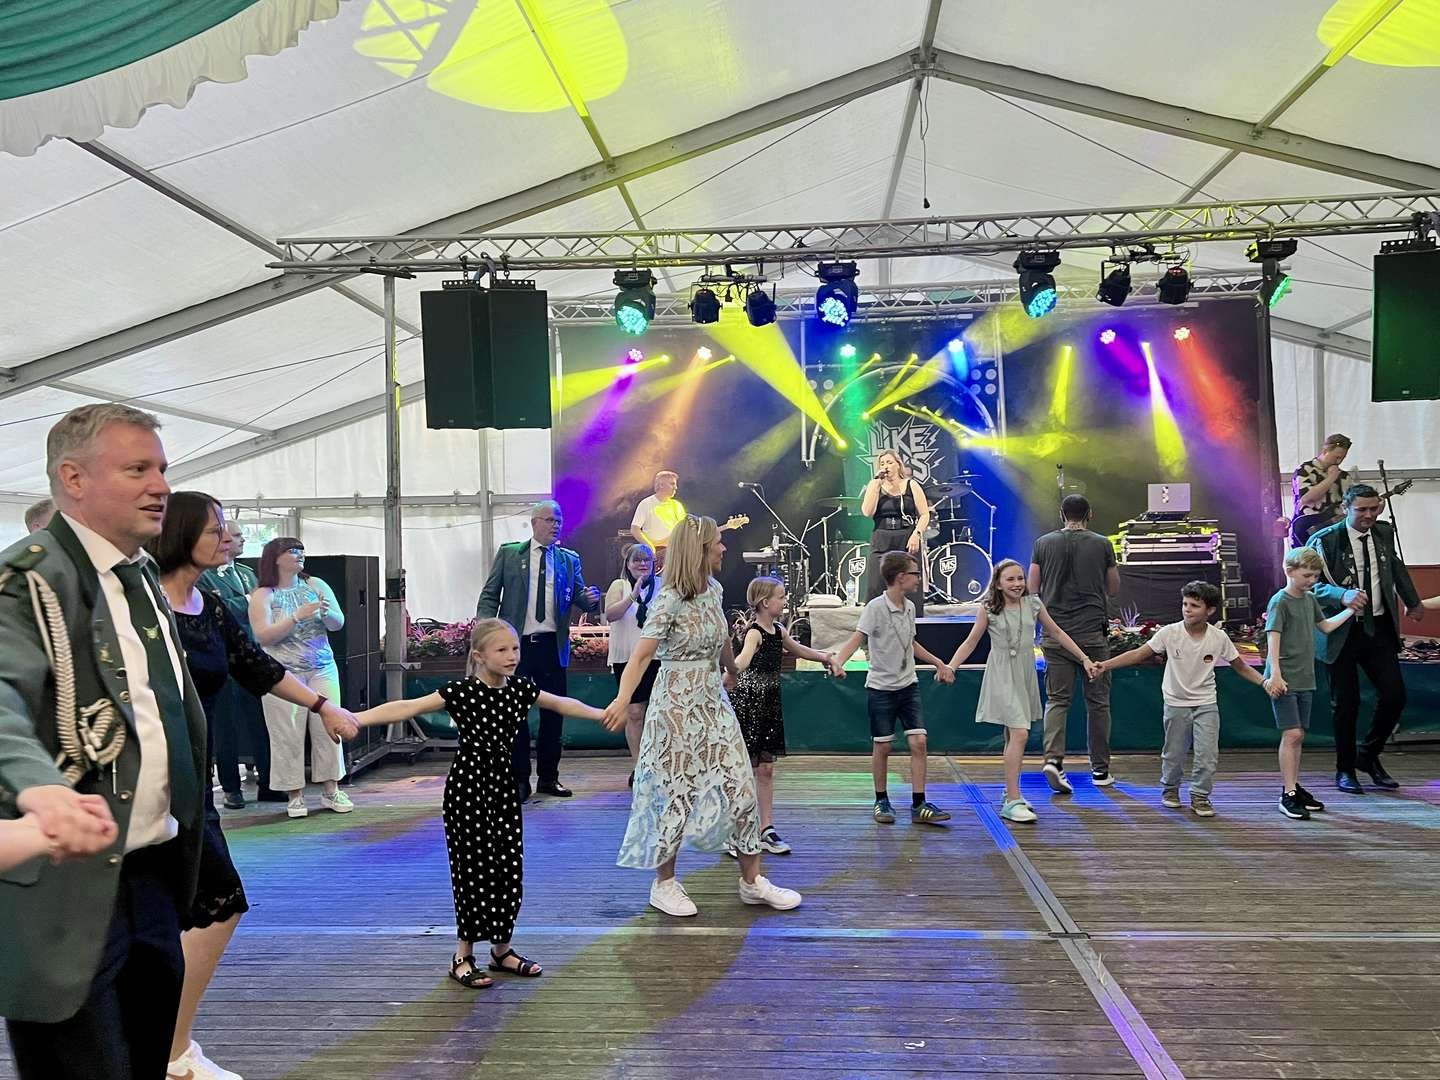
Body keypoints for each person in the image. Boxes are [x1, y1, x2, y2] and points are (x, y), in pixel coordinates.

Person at [0, 403, 206, 1080]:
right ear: (74, 478)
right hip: (65, 887)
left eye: (162, 469)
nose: (161, 486)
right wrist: (41, 789)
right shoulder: (27, 580)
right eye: (137, 469)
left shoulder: (138, 576)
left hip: (152, 872)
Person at [149, 492, 359, 1080]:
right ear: (181, 534)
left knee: (214, 905)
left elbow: (257, 667)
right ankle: (165, 1049)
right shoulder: (143, 607)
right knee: (175, 913)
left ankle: (172, 1047)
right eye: (215, 530)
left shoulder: (210, 604)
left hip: (192, 786)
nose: (227, 538)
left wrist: (322, 705)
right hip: (147, 784)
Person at [353, 619, 606, 988]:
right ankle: (463, 955)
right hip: (468, 789)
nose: (512, 656)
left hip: (503, 788)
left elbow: (561, 703)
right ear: (479, 656)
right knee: (471, 870)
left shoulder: (520, 690)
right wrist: (354, 718)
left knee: (508, 868)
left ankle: (501, 950)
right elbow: (407, 707)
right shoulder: (462, 692)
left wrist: (602, 714)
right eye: (502, 650)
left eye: (515, 648)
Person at [604, 515, 801, 917]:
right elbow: (641, 656)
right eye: (716, 543)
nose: (723, 548)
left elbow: (722, 636)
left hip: (712, 698)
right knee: (675, 793)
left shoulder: (714, 589)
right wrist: (623, 699)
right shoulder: (669, 598)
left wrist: (731, 669)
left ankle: (752, 881)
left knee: (740, 784)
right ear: (699, 550)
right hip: (675, 704)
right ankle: (664, 884)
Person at [947, 560, 1101, 823]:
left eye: (1020, 578)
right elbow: (971, 641)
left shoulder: (1033, 604)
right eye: (1010, 579)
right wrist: (951, 666)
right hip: (1002, 674)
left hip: (1024, 673)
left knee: (1012, 734)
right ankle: (1012, 800)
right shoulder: (988, 608)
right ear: (998, 583)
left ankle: (1010, 791)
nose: (1017, 584)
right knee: (1019, 733)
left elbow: (1057, 632)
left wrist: (1084, 658)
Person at [1100, 582, 1268, 817]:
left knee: (1207, 754)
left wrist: (1264, 682)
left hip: (1206, 703)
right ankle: (1170, 789)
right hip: (1176, 703)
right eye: (1185, 604)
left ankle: (1200, 795)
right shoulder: (1170, 633)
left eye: (1194, 606)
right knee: (1174, 752)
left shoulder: (1218, 637)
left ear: (1210, 610)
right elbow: (1138, 654)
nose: (1187, 609)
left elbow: (1240, 666)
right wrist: (1105, 665)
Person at [477, 500, 602, 801]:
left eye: (558, 521)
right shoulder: (510, 554)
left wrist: (591, 598)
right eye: (549, 520)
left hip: (552, 647)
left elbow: (580, 598)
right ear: (534, 523)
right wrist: (484, 632)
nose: (555, 525)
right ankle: (519, 780)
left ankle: (549, 778)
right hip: (516, 648)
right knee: (514, 716)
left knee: (554, 714)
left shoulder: (569, 560)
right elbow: (490, 595)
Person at [1306, 484, 1422, 794]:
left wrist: (1412, 602)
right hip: (1341, 631)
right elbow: (1308, 584)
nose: (1369, 515)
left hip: (1379, 629)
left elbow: (1395, 567)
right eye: (1362, 510)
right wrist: (1340, 594)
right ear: (1345, 508)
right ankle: (1345, 769)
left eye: (1374, 508)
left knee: (1395, 696)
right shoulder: (1324, 540)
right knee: (1346, 703)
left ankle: (1368, 756)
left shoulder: (1384, 533)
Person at [832, 551, 956, 826]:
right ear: (901, 577)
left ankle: (919, 803)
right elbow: (858, 638)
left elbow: (910, 642)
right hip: (881, 688)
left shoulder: (909, 607)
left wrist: (938, 662)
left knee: (919, 742)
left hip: (908, 685)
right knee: (883, 745)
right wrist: (838, 661)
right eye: (915, 573)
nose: (918, 578)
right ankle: (881, 799)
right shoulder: (876, 608)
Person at [730, 576, 841, 854]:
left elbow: (800, 650)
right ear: (765, 602)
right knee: (744, 769)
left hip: (768, 703)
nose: (784, 601)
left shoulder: (778, 630)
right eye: (780, 597)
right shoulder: (754, 633)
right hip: (749, 704)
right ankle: (736, 831)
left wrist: (826, 657)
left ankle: (766, 828)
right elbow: (743, 659)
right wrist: (728, 673)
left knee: (766, 768)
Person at [249, 537, 353, 818]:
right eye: (292, 551)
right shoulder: (264, 595)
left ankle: (332, 789)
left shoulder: (315, 585)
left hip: (322, 667)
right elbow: (263, 636)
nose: (300, 555)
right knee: (286, 733)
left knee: (329, 726)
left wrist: (326, 613)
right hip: (282, 675)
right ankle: (294, 795)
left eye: (301, 551)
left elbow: (338, 623)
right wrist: (295, 616)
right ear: (275, 558)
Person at [1028, 493, 1120, 792]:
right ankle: (1100, 771)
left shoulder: (1043, 543)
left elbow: (1032, 587)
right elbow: (1113, 588)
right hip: (1093, 634)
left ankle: (1053, 761)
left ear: (1061, 514)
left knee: (1057, 700)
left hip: (1055, 634)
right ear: (1089, 514)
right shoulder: (1102, 544)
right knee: (1098, 703)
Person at [1263, 548, 1358, 820]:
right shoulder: (1280, 601)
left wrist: (1350, 610)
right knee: (1292, 734)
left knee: (1299, 735)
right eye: (1306, 575)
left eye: (1315, 576)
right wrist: (1275, 673)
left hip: (1305, 676)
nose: (1312, 581)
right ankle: (1288, 793)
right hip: (1284, 677)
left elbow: (1325, 626)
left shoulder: (1309, 599)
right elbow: (1273, 637)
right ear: (1289, 571)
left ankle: (1293, 785)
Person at [199, 518, 272, 809]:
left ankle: (268, 782)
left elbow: (258, 607)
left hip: (251, 657)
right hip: (222, 661)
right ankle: (231, 788)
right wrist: (247, 600)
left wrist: (241, 600)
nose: (242, 540)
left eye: (241, 535)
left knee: (259, 723)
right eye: (236, 535)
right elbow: (216, 608)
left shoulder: (246, 572)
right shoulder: (205, 576)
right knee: (224, 727)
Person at [604, 542, 661, 788]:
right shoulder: (619, 585)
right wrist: (633, 595)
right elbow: (611, 614)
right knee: (635, 711)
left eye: (646, 560)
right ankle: (639, 766)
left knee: (657, 712)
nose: (642, 564)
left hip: (657, 657)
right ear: (627, 564)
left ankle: (657, 763)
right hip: (627, 657)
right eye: (637, 560)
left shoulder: (662, 585)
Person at [859, 450, 930, 613]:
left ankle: (913, 622)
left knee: (909, 583)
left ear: (898, 465)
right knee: (875, 585)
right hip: (882, 537)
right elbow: (867, 512)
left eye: (890, 462)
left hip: (907, 537)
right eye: (882, 463)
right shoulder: (875, 485)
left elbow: (925, 514)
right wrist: (875, 485)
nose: (886, 466)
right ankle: (875, 624)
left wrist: (917, 534)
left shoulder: (911, 485)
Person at [1290, 433, 1351, 545]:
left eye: (1342, 458)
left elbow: (1351, 502)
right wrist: (1331, 478)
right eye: (1336, 457)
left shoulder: (1344, 476)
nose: (1338, 462)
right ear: (1325, 451)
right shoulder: (1304, 470)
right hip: (1306, 530)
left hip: (1335, 533)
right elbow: (1306, 498)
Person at [631, 469, 686, 559]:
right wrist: (650, 547)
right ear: (661, 485)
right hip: (655, 552)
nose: (675, 487)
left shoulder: (677, 506)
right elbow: (635, 529)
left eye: (675, 484)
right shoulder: (646, 503)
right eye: (672, 484)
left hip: (674, 552)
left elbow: (685, 529)